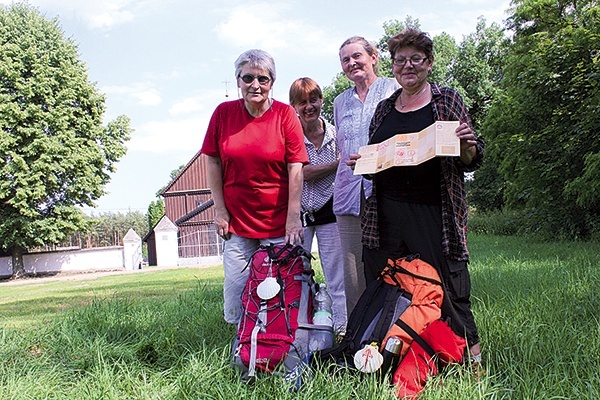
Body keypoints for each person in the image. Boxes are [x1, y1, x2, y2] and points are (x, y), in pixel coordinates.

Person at [350, 28, 484, 362]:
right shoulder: (383, 109)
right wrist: (363, 161)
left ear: (429, 63)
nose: (407, 66)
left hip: (434, 211)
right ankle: (389, 361)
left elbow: (471, 158)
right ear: (392, 66)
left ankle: (472, 362)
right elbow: (377, 163)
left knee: (450, 290)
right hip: (385, 213)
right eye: (400, 60)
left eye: (415, 59)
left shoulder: (447, 100)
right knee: (388, 285)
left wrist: (467, 146)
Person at [201, 49, 309, 324]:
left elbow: (296, 166)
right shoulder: (223, 114)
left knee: (282, 286)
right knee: (237, 284)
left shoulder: (285, 115)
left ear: (272, 82)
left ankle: (280, 339)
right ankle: (241, 340)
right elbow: (213, 162)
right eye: (247, 77)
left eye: (263, 79)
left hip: (279, 220)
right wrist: (220, 211)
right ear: (238, 80)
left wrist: (293, 218)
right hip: (238, 220)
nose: (255, 85)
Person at [333, 36, 399, 316]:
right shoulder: (339, 102)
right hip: (349, 190)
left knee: (391, 259)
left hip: (388, 187)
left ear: (373, 57)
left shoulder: (393, 88)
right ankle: (356, 333)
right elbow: (341, 145)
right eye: (345, 60)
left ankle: (393, 326)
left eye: (357, 56)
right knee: (353, 267)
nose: (352, 63)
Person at [289, 77, 347, 334]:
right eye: (302, 102)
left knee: (337, 273)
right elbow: (301, 173)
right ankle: (297, 327)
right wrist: (336, 164)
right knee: (295, 273)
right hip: (298, 212)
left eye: (313, 100)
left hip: (330, 209)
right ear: (293, 106)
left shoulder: (338, 135)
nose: (309, 107)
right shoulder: (289, 136)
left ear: (321, 101)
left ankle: (343, 327)